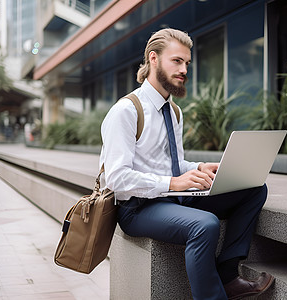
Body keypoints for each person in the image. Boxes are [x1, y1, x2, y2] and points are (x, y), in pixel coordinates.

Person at [100, 28, 274, 300]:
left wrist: (198, 167)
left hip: (173, 196)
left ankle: (228, 276)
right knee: (204, 225)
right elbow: (116, 179)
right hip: (138, 207)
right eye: (176, 61)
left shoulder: (174, 111)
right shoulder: (126, 110)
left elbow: (172, 163)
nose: (184, 69)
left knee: (254, 188)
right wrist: (173, 183)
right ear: (154, 59)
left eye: (187, 63)